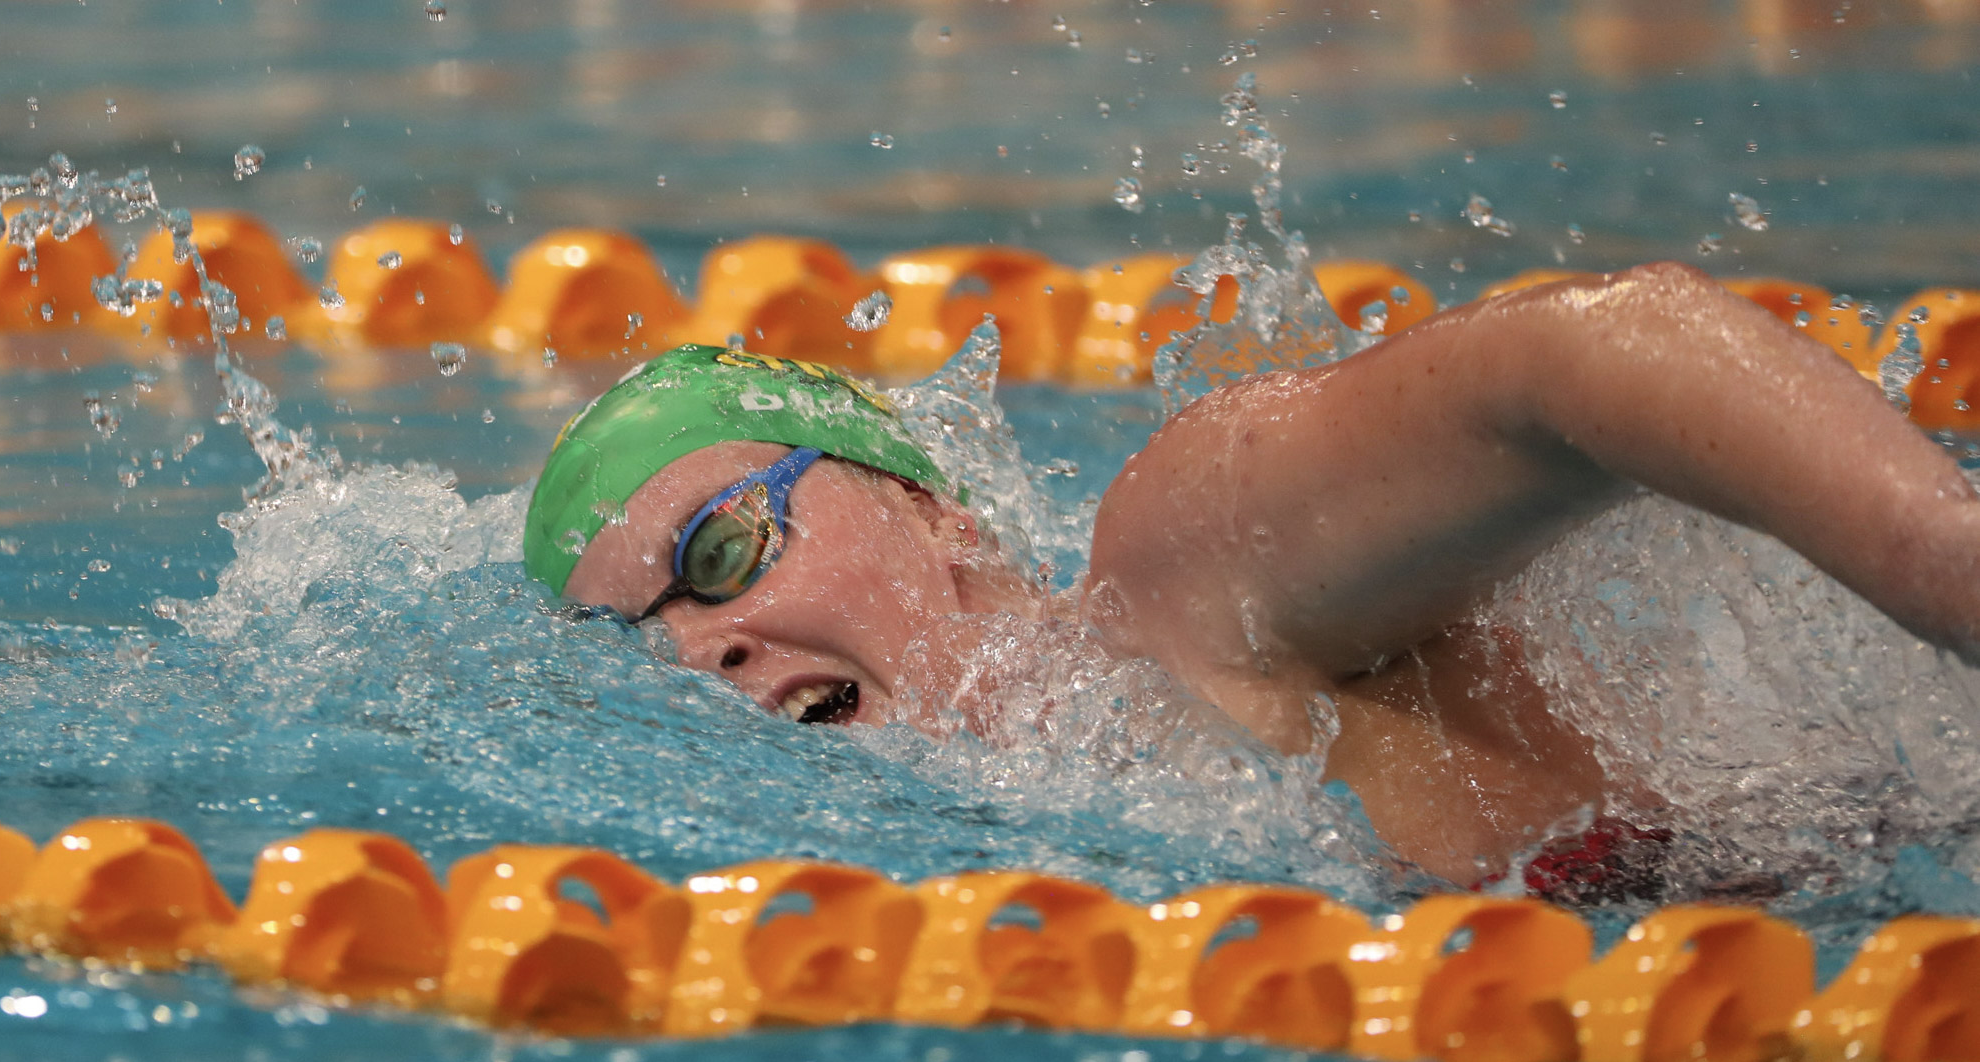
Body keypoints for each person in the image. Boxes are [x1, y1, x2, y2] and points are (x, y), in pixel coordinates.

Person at [524, 262, 1980, 888]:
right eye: (643, 645)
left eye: (722, 551)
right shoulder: (990, 848)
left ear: (935, 509)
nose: (705, 646)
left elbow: (1586, 352)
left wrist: (1947, 563)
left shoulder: (1169, 582)